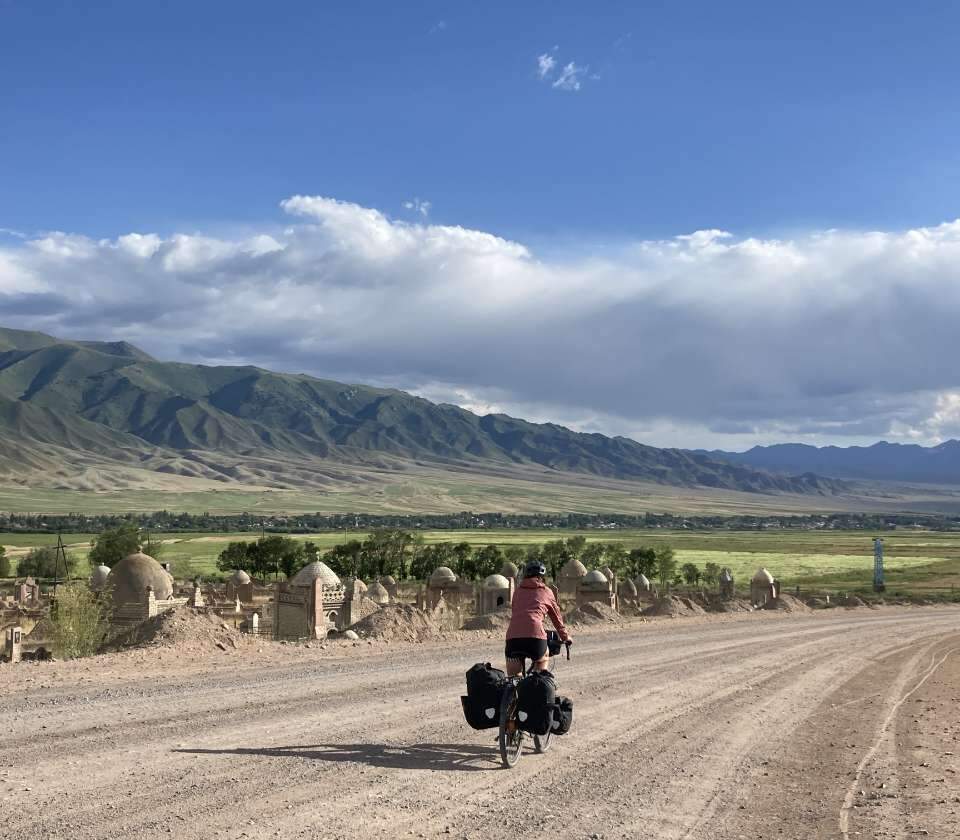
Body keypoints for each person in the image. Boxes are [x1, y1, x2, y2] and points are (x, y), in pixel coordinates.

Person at [504, 560, 571, 676]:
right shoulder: (547, 592)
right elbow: (556, 618)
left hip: (513, 638)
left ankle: (513, 683)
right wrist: (565, 637)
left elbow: (517, 613)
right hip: (536, 637)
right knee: (541, 668)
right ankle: (538, 679)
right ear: (542, 577)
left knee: (513, 678)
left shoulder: (517, 592)